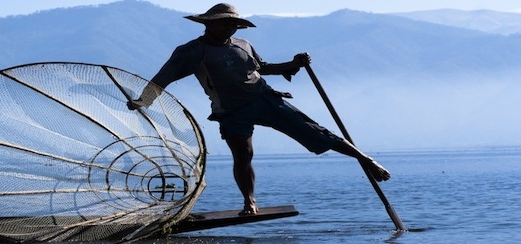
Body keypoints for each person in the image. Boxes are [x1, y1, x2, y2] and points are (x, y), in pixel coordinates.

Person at [128, 3, 390, 216]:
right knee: (243, 155)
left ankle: (366, 160)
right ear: (209, 24)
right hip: (230, 110)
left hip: (264, 99)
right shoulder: (192, 51)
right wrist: (144, 100)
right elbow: (164, 76)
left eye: (233, 23)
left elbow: (261, 68)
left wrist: (293, 63)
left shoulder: (242, 44)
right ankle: (249, 202)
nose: (230, 27)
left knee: (317, 132)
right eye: (224, 22)